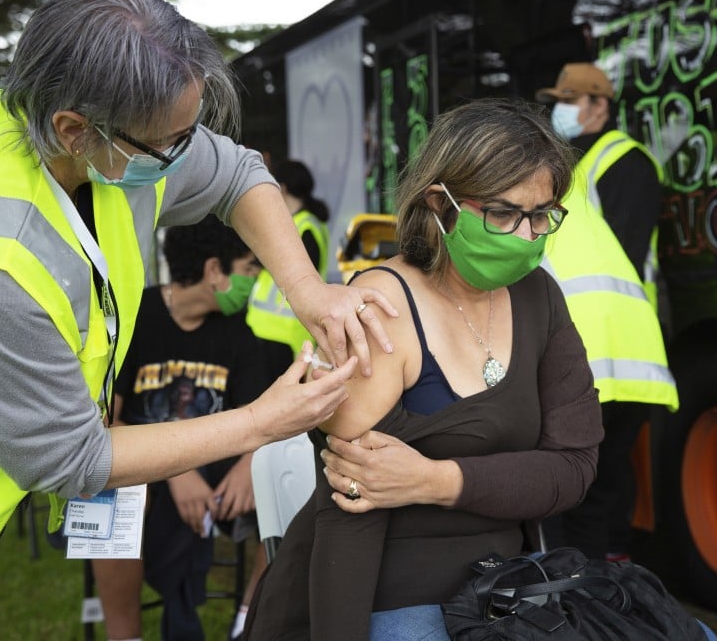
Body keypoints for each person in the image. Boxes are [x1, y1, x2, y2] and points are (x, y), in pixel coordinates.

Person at [0, 0, 397, 641]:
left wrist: (309, 291)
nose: (187, 156)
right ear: (73, 129)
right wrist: (260, 424)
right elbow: (71, 459)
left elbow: (239, 173)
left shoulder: (97, 137)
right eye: (170, 143)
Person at [245, 98, 605, 640]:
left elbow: (573, 469)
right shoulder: (380, 306)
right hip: (391, 602)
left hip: (504, 593)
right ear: (441, 203)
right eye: (504, 214)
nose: (528, 237)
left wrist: (434, 480)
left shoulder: (540, 297)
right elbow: (350, 516)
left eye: (542, 215)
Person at [90, 216, 271, 641]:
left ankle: (248, 623)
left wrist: (249, 463)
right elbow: (104, 423)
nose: (256, 280)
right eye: (249, 268)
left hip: (219, 474)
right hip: (143, 470)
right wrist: (172, 468)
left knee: (290, 488)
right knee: (113, 492)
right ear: (214, 271)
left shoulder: (240, 334)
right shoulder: (135, 317)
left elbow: (263, 418)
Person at [534, 61, 679, 561]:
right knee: (601, 479)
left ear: (601, 105)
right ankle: (609, 587)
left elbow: (624, 254)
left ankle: (596, 596)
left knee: (591, 483)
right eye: (558, 100)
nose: (560, 111)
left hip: (609, 339)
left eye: (571, 100)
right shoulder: (570, 164)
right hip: (613, 343)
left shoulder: (625, 161)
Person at [246, 159, 331, 368]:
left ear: (281, 187)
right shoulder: (295, 222)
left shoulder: (305, 226)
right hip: (267, 332)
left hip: (284, 336)